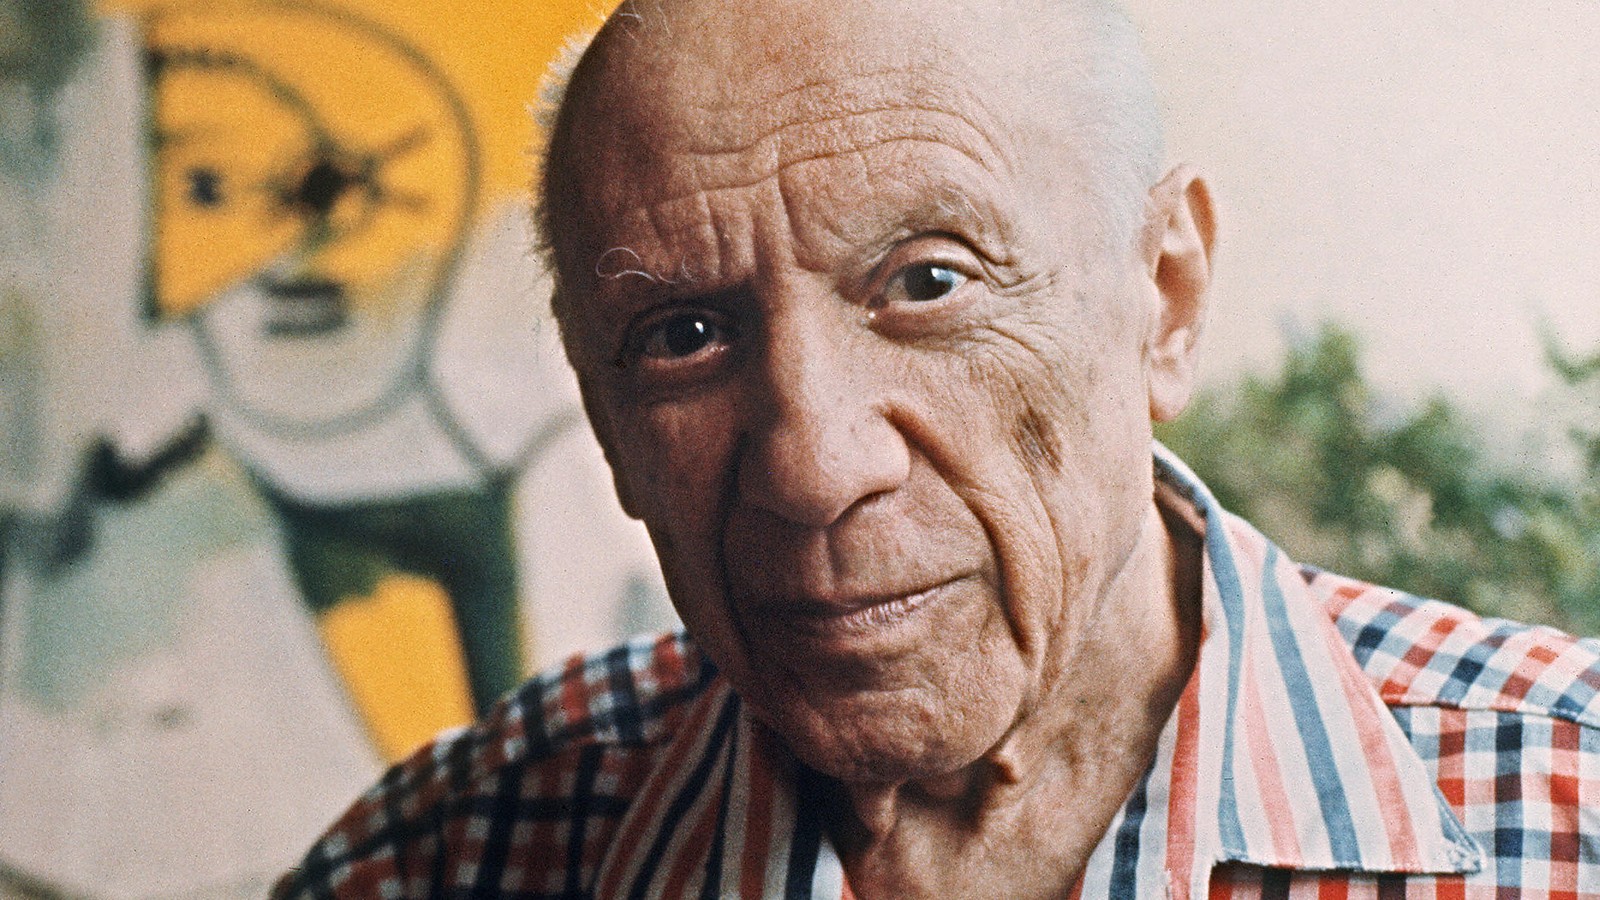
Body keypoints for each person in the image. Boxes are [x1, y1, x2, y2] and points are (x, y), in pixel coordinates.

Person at [274, 0, 1600, 896]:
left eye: (928, 284)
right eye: (684, 333)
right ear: (605, 414)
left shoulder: (1562, 814)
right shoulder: (462, 853)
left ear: (1166, 297)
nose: (813, 465)